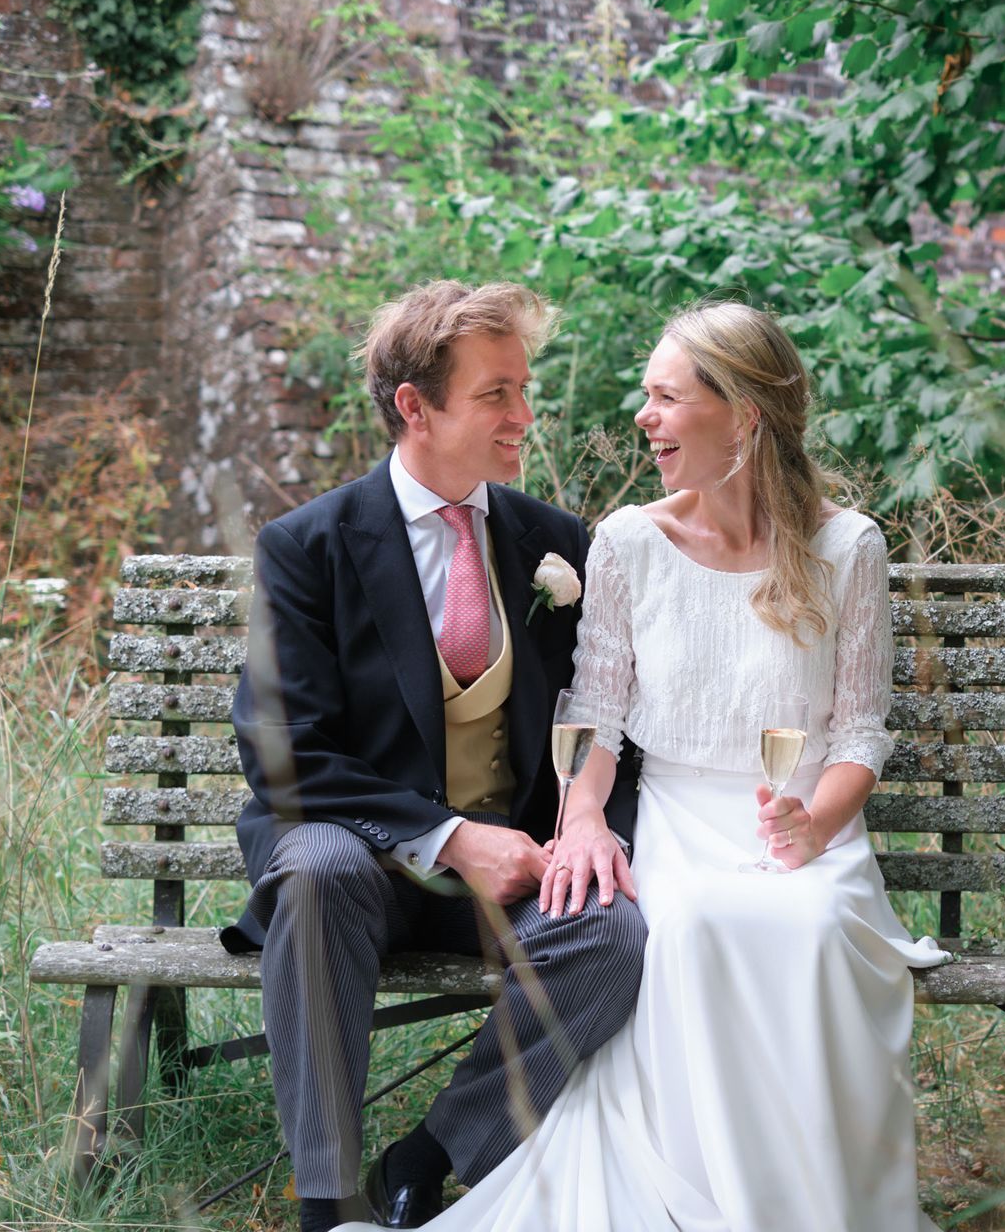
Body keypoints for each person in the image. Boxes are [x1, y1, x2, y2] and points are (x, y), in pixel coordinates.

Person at [342, 300, 948, 1232]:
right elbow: (595, 714)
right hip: (675, 822)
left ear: (743, 412)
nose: (644, 417)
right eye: (646, 396)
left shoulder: (845, 546)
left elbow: (861, 729)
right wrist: (582, 817)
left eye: (666, 398)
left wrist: (815, 823)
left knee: (814, 927)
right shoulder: (628, 541)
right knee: (694, 924)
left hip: (804, 827)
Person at [228, 280, 648, 1232]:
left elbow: (605, 718)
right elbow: (282, 753)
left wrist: (584, 831)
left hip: (514, 868)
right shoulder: (308, 547)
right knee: (316, 872)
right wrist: (451, 837)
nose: (525, 416)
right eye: (498, 393)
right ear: (415, 406)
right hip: (361, 860)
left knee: (612, 932)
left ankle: (432, 1154)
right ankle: (329, 1206)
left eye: (525, 389)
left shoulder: (555, 545)